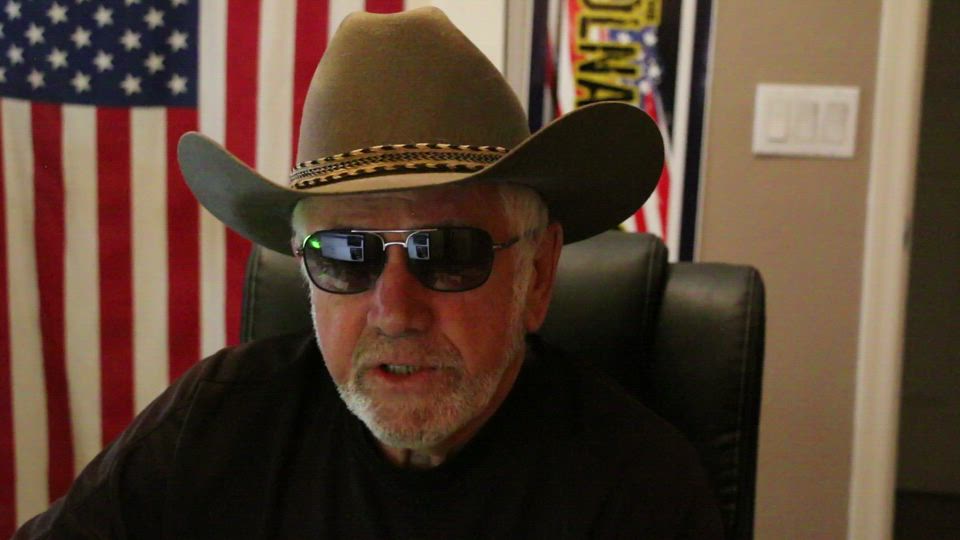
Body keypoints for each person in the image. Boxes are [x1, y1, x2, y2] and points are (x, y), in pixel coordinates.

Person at [16, 7, 723, 539]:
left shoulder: (637, 490)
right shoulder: (215, 426)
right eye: (346, 255)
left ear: (536, 275)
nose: (395, 310)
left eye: (447, 253)